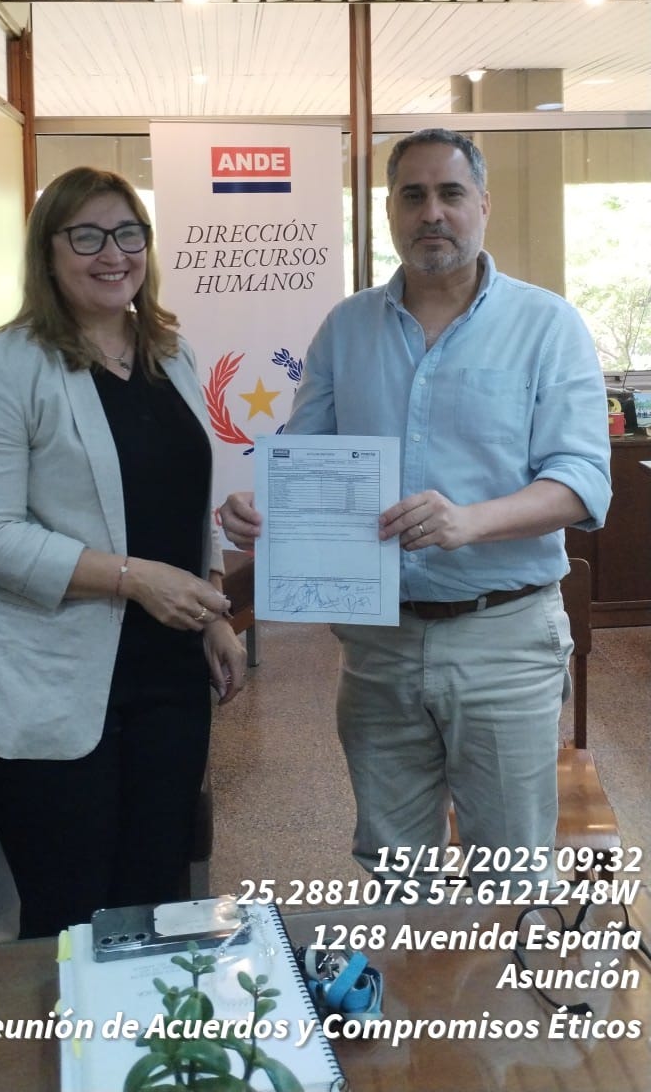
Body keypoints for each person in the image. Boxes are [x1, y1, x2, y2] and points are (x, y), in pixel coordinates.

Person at [221, 130, 611, 884]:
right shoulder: (347, 327)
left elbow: (582, 482)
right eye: (413, 195)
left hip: (503, 636)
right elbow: (308, 460)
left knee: (510, 871)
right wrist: (261, 506)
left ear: (483, 205)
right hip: (379, 646)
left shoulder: (547, 325)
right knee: (397, 868)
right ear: (391, 212)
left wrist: (470, 521)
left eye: (450, 193)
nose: (432, 212)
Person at [0, 166, 246, 938]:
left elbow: (184, 502)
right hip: (48, 684)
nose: (112, 253)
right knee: (71, 919)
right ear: (47, 254)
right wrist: (133, 579)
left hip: (168, 679)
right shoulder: (7, 363)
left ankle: (142, 1022)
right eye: (86, 236)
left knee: (156, 908)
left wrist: (213, 608)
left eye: (127, 233)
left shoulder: (170, 352)